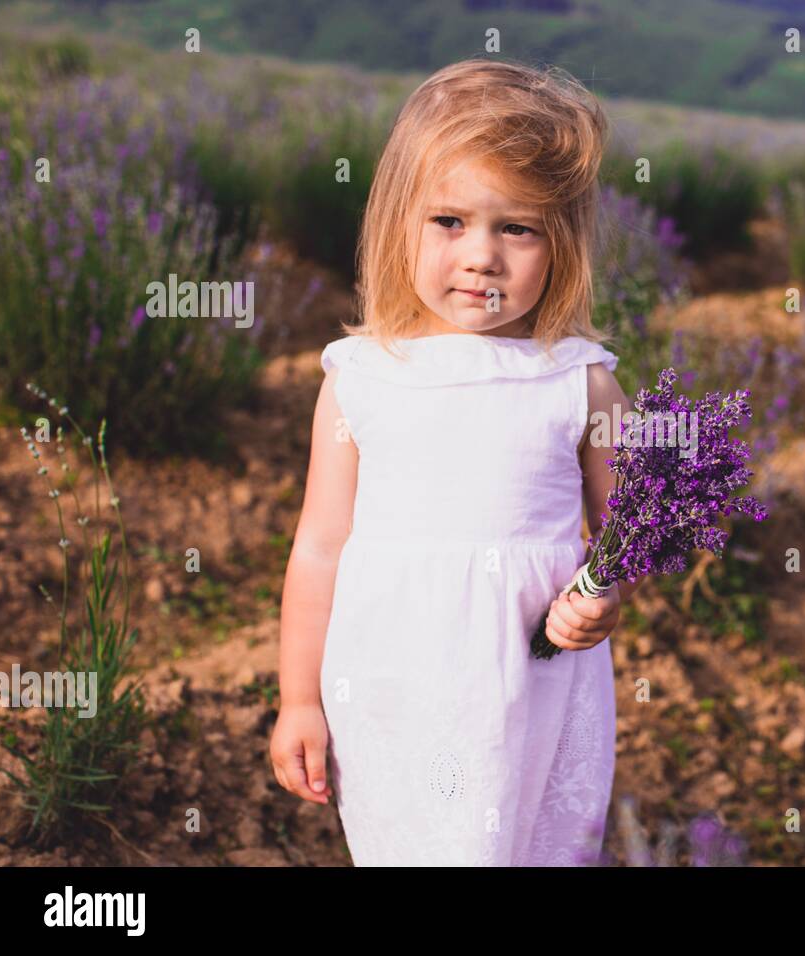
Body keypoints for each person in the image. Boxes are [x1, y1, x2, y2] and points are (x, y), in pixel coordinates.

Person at [269, 58, 641, 865]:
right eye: (449, 221)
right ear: (399, 220)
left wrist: (600, 598)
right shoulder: (362, 378)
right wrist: (298, 698)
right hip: (395, 680)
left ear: (562, 244)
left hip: (534, 681)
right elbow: (320, 547)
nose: (481, 256)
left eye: (518, 228)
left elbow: (625, 534)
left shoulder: (578, 378)